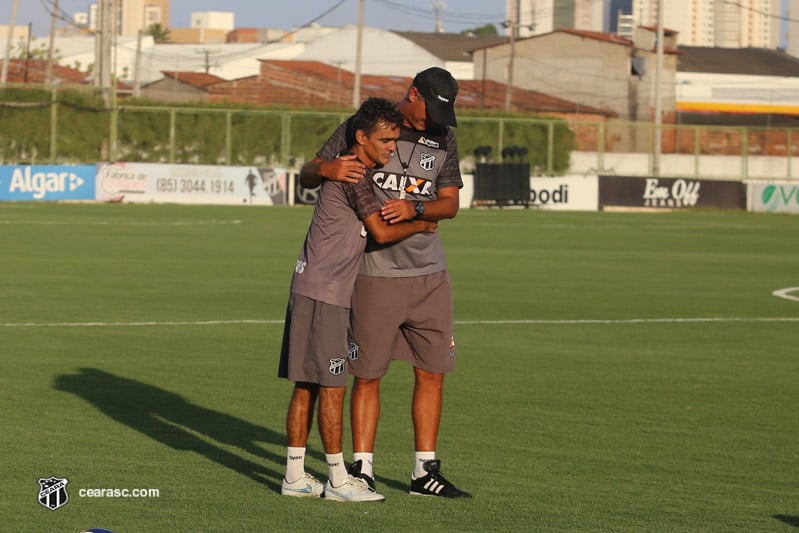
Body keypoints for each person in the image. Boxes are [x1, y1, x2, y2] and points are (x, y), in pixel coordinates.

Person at [299, 67, 471, 499]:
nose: (431, 118)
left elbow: (449, 205)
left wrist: (414, 209)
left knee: (433, 372)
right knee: (368, 375)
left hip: (430, 273)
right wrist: (324, 167)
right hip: (374, 273)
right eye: (428, 108)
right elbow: (309, 174)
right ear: (412, 94)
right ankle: (363, 468)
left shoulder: (444, 138)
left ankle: (424, 472)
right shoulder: (364, 124)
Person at [278, 97, 437, 502]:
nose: (392, 148)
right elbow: (381, 233)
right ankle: (338, 481)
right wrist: (423, 222)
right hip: (326, 293)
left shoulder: (356, 171)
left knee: (307, 385)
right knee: (332, 385)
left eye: (395, 140)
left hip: (310, 287)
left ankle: (295, 476)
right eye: (385, 140)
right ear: (361, 138)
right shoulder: (356, 176)